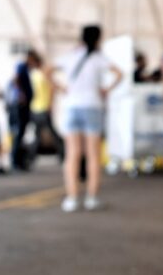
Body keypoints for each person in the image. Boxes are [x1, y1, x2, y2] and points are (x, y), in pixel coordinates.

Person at [56, 25, 123, 212]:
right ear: (98, 38)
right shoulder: (98, 58)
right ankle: (91, 197)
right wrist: (106, 90)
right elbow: (119, 74)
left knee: (72, 155)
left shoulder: (71, 56)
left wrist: (61, 88)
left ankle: (72, 198)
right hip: (92, 106)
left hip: (71, 107)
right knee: (93, 154)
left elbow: (47, 69)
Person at [28, 51, 63, 165]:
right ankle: (31, 158)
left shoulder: (44, 72)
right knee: (38, 134)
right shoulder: (33, 73)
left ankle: (63, 154)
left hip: (44, 107)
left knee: (52, 133)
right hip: (35, 107)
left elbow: (52, 88)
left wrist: (50, 104)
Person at [7, 56, 34, 171]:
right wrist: (21, 94)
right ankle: (15, 161)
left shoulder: (25, 70)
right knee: (19, 133)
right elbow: (16, 79)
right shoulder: (22, 67)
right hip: (20, 107)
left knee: (21, 134)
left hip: (22, 106)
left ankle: (18, 160)